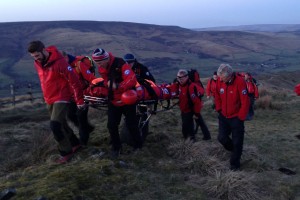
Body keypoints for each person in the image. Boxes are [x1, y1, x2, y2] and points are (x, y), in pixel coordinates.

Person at [27, 41, 86, 164]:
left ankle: (66, 152)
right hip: (49, 97)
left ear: (44, 50)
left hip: (62, 97)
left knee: (55, 125)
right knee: (62, 123)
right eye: (33, 57)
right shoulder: (37, 63)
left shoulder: (60, 62)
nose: (36, 59)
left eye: (37, 55)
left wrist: (79, 100)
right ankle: (75, 144)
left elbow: (75, 81)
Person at [91, 48, 143, 158]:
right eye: (96, 62)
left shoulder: (120, 63)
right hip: (114, 100)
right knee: (111, 125)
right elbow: (106, 81)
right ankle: (116, 147)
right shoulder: (102, 68)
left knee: (131, 123)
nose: (98, 65)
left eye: (100, 62)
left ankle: (138, 145)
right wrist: (107, 85)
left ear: (106, 59)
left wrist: (118, 86)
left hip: (127, 99)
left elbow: (132, 79)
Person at [214, 64, 250, 170]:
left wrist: (241, 117)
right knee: (222, 138)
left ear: (229, 75)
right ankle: (234, 150)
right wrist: (219, 109)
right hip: (223, 116)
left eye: (222, 77)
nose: (220, 79)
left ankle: (234, 165)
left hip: (236, 118)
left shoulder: (240, 82)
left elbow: (245, 101)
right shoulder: (219, 81)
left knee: (237, 142)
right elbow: (217, 95)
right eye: (219, 76)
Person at [62, 51, 96, 146]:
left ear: (66, 57)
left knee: (81, 118)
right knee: (70, 116)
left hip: (83, 94)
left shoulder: (79, 64)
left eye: (62, 59)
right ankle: (88, 129)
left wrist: (93, 91)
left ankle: (83, 141)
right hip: (71, 96)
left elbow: (91, 78)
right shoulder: (61, 68)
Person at [123, 53, 156, 143]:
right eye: (126, 62)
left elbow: (152, 81)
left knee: (143, 116)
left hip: (143, 96)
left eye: (130, 62)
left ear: (134, 61)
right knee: (130, 117)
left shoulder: (141, 68)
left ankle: (143, 136)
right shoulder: (123, 69)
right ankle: (128, 136)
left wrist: (140, 80)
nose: (128, 64)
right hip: (130, 96)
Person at [176, 69, 211, 142]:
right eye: (178, 78)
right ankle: (205, 136)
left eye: (181, 78)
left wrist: (196, 113)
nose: (180, 80)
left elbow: (196, 102)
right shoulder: (182, 84)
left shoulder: (191, 86)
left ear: (186, 77)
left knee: (188, 124)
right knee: (197, 122)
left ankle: (191, 139)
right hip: (187, 108)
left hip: (190, 109)